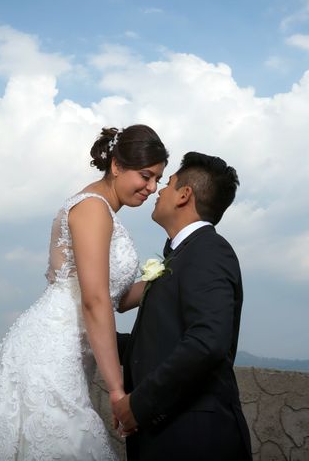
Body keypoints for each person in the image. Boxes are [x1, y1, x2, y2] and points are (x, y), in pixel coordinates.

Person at [0, 125, 168, 460]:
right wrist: (116, 391)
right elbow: (95, 300)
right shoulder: (92, 208)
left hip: (68, 353)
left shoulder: (103, 212)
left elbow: (118, 298)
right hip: (49, 353)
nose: (152, 187)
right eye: (146, 176)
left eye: (158, 179)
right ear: (116, 166)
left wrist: (166, 279)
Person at [114, 152, 252, 461]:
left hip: (195, 440)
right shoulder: (181, 257)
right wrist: (89, 339)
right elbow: (157, 344)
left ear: (184, 195)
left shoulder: (209, 251)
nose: (158, 190)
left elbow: (207, 342)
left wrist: (139, 405)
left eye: (169, 183)